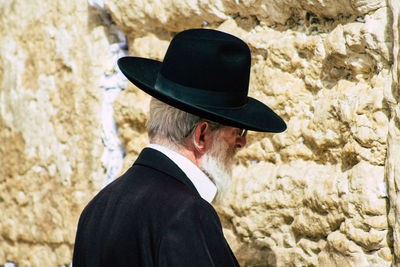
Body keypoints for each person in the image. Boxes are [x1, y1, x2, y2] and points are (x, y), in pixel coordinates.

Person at [72, 28, 286, 266]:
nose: (242, 142)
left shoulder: (98, 207)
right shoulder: (186, 213)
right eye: (237, 131)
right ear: (201, 135)